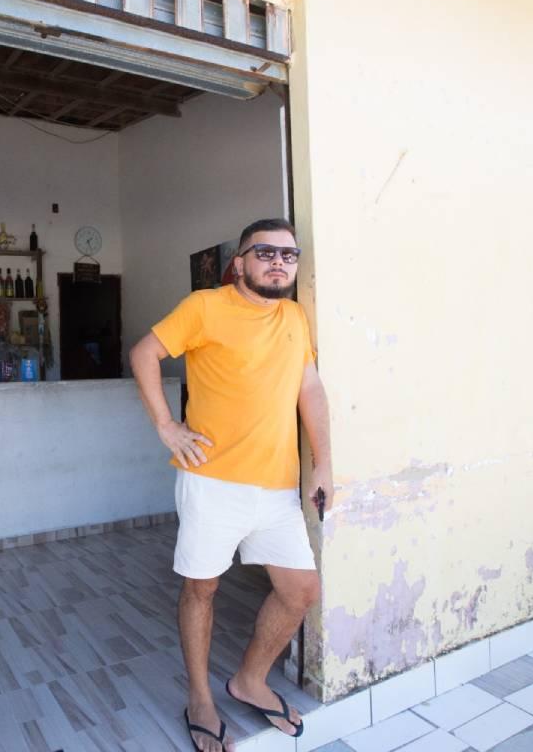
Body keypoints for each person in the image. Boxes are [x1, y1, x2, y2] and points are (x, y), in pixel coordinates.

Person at [129, 218, 333, 752]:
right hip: (212, 483)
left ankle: (250, 680)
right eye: (265, 252)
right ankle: (200, 698)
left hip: (277, 486)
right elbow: (144, 353)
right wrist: (166, 426)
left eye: (288, 255)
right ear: (239, 262)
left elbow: (309, 388)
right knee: (202, 589)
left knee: (300, 591)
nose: (278, 262)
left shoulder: (294, 317)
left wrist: (324, 464)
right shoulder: (205, 306)